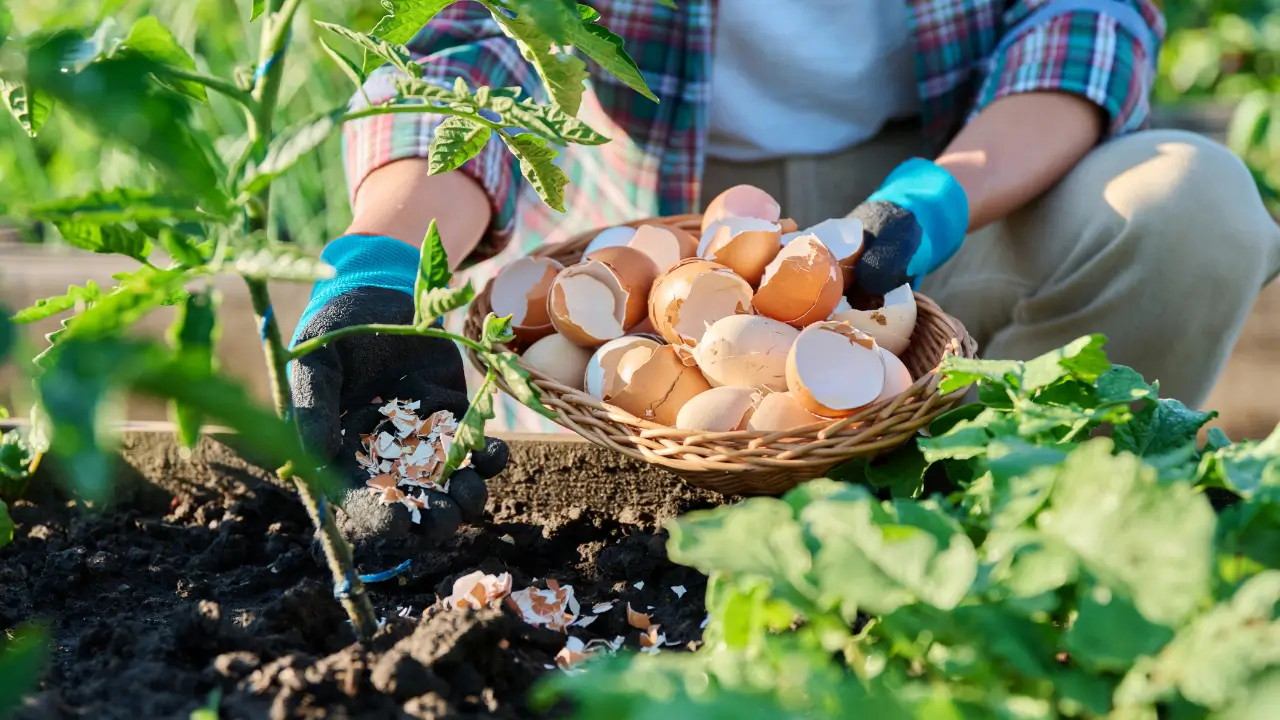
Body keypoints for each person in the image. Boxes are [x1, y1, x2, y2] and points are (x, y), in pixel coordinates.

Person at [288, 0, 1280, 539]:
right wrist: (385, 255)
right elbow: (474, 42)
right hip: (642, 233)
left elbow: (1085, 16)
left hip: (951, 178)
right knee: (640, 435)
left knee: (1188, 208)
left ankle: (1035, 559)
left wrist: (933, 200)